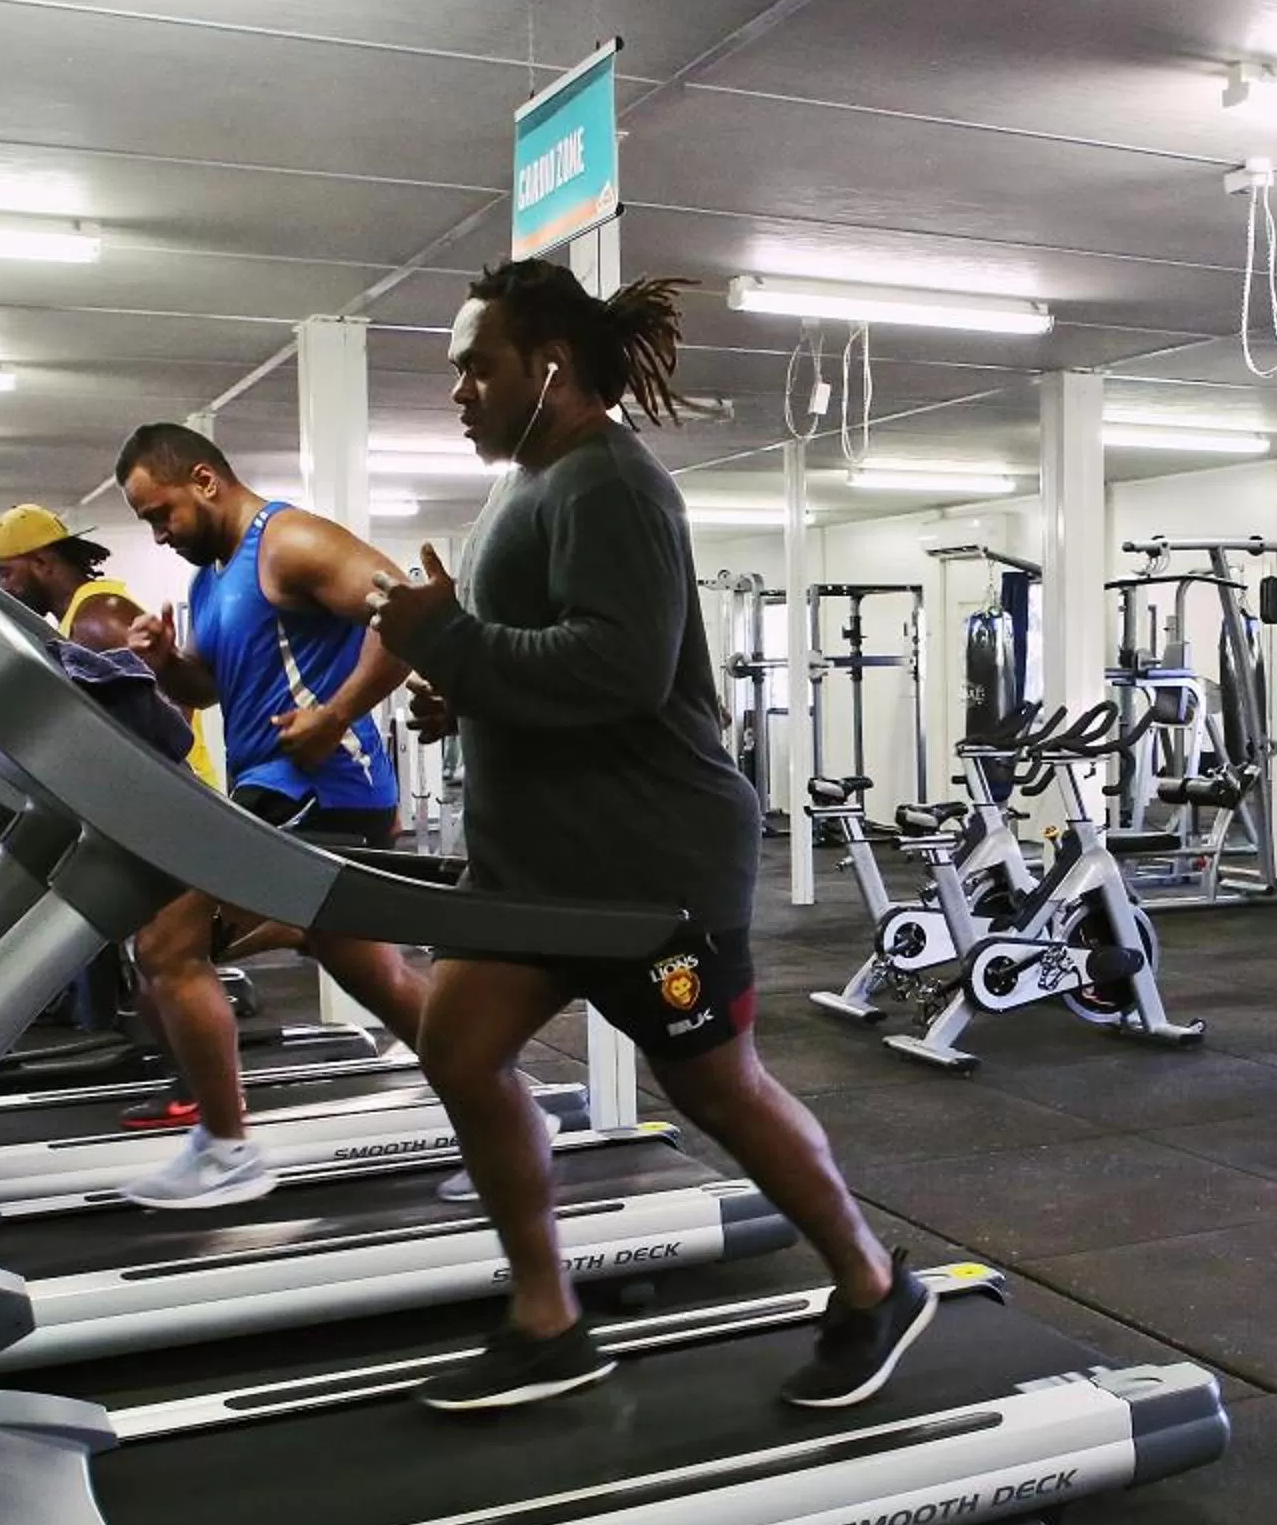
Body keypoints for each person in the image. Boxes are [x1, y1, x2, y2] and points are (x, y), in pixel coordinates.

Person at [364, 259, 931, 1414]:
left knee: (718, 1091)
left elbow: (617, 668)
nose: (460, 389)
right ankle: (546, 1313)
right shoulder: (524, 487)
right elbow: (535, 657)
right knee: (461, 1049)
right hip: (538, 866)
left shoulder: (609, 484)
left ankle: (874, 1285)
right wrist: (459, 685)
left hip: (647, 874)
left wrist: (458, 648)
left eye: (479, 365)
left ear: (549, 366)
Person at [108, 423, 435, 1208]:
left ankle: (226, 1149)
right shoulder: (209, 579)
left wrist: (336, 713)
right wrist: (165, 664)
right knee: (377, 974)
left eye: (161, 514)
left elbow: (410, 612)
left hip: (323, 783)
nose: (158, 533)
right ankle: (501, 1098)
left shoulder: (287, 541)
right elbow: (210, 692)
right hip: (273, 781)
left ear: (205, 480)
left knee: (166, 938)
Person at [0, 503, 217, 786]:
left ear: (42, 564)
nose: (2, 586)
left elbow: (177, 701)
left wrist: (168, 781)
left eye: (6, 572)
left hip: (182, 789)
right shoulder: (77, 619)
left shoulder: (97, 619)